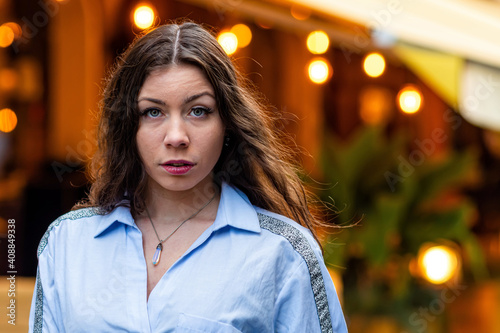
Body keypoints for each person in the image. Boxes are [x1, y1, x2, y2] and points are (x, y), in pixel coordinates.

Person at [29, 21, 348, 332]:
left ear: (227, 123)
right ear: (129, 126)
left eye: (199, 111)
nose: (177, 136)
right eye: (153, 112)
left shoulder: (282, 251)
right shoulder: (68, 243)